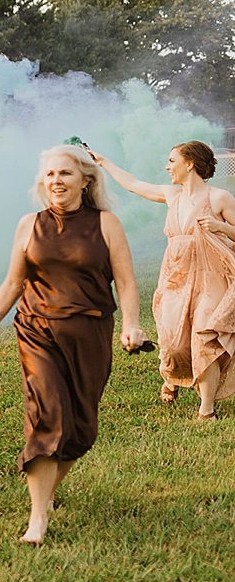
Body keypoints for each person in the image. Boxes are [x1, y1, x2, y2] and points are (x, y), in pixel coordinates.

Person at [0, 146, 147, 544]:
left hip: (90, 333)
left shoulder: (106, 224)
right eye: (48, 175)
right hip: (37, 330)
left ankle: (45, 494)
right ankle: (38, 518)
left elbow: (126, 283)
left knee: (80, 429)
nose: (55, 182)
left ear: (85, 180)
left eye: (64, 173)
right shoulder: (29, 224)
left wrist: (131, 325)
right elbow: (14, 283)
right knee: (47, 417)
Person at [90, 141, 235, 420]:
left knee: (205, 335)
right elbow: (132, 184)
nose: (167, 167)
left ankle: (207, 410)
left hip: (212, 276)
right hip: (176, 277)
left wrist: (221, 227)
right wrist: (103, 161)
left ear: (189, 163)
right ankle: (173, 376)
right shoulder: (172, 195)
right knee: (174, 342)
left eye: (171, 161)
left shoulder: (220, 198)